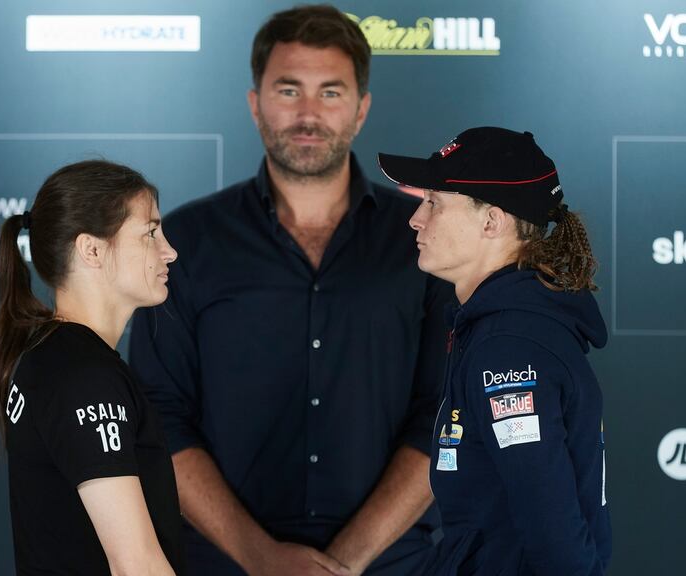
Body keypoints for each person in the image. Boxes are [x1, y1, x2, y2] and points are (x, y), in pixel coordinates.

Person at [128, 5, 455, 576]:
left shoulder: (426, 241)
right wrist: (262, 559)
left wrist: (341, 565)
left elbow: (446, 416)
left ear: (361, 109)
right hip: (226, 566)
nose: (308, 114)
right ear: (256, 105)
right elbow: (159, 420)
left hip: (391, 566)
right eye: (288, 90)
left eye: (331, 92)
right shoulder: (183, 242)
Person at [378, 126, 612, 575]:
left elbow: (556, 538)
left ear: (491, 222)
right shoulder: (499, 328)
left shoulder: (509, 349)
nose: (416, 219)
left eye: (435, 203)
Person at [0, 159, 185, 575]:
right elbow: (136, 565)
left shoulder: (57, 359)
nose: (169, 251)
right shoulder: (83, 377)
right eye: (150, 233)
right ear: (91, 249)